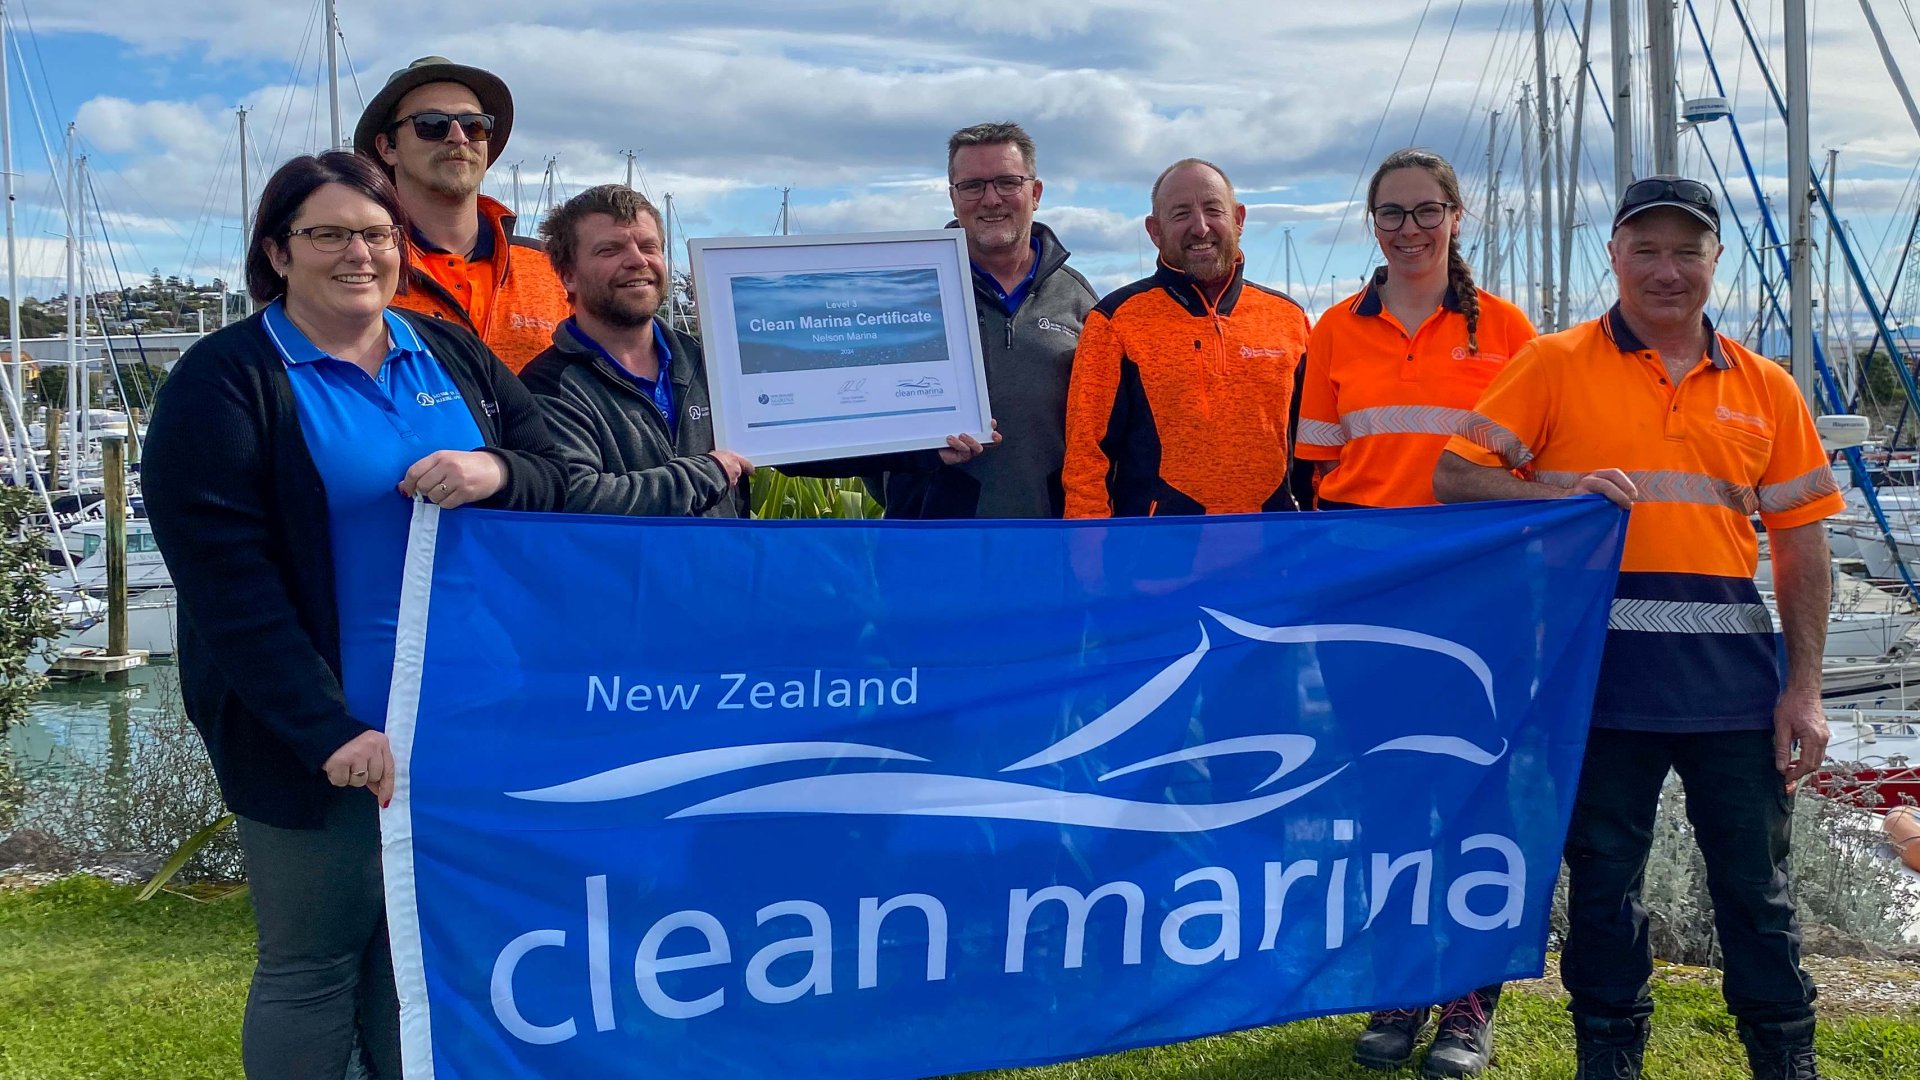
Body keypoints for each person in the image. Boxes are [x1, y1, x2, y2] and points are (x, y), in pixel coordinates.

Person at [141, 150, 564, 1079]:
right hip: (327, 740)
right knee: (313, 970)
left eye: (374, 233)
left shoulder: (446, 351)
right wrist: (327, 727)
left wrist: (495, 471)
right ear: (276, 251)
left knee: (411, 966)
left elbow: (555, 476)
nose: (356, 253)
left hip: (460, 722)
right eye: (326, 233)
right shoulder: (223, 383)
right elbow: (227, 591)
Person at [1434, 176, 1839, 1080]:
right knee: (1605, 890)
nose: (1666, 269)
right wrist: (1555, 489)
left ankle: (1785, 1059)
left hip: (1735, 689)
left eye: (1685, 251)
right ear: (1613, 256)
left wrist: (1803, 689)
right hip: (1598, 687)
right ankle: (1608, 1058)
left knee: (1758, 897)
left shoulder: (1767, 387)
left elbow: (1802, 549)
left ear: (1713, 261)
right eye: (1645, 249)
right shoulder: (1553, 362)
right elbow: (1457, 477)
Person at [1296, 148, 1538, 1076]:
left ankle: (1470, 1001)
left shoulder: (1510, 331)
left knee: (1477, 787)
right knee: (1387, 788)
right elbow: (1315, 473)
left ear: (1456, 216)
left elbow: (1529, 471)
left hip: (1480, 584)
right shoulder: (1334, 333)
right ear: (1372, 224)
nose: (1409, 230)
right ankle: (1398, 981)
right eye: (1391, 214)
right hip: (1367, 584)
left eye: (1425, 211)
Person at [1061, 157, 1311, 517]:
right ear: (1154, 231)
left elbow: (1315, 448)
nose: (1201, 227)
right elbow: (1086, 455)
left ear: (1238, 219)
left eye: (1214, 210)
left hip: (1275, 550)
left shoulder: (1289, 319)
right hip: (1157, 557)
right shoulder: (1116, 321)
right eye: (1180, 214)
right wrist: (1089, 556)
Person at [519, 184, 751, 516]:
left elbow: (788, 442)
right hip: (624, 568)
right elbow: (578, 497)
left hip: (725, 564)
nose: (637, 260)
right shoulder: (549, 387)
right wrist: (706, 474)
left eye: (648, 246)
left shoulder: (710, 362)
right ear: (569, 275)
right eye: (610, 250)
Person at [354, 55, 569, 373]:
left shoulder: (549, 268)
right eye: (431, 125)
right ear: (388, 147)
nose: (458, 136)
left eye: (474, 125)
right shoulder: (356, 266)